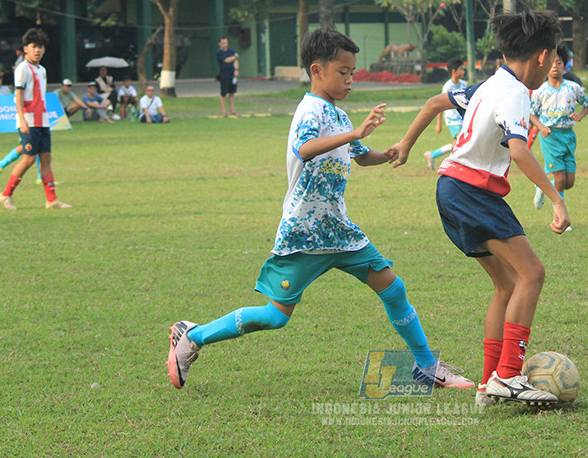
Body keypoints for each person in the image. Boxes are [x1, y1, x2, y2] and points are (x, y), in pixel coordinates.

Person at [166, 29, 473, 392]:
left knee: (393, 287)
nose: (350, 79)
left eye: (353, 72)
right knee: (275, 317)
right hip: (305, 232)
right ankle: (192, 335)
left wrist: (389, 153)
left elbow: (359, 157)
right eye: (343, 72)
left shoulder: (338, 115)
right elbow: (306, 148)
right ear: (317, 70)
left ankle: (426, 366)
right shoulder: (310, 110)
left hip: (339, 230)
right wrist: (355, 133)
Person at [389, 9, 569, 407]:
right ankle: (507, 376)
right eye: (553, 56)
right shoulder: (518, 93)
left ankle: (490, 383)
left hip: (450, 189)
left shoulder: (487, 86)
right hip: (473, 193)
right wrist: (556, 198)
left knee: (507, 283)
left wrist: (405, 143)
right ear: (542, 56)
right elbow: (519, 149)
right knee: (533, 273)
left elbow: (435, 103)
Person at [0, 28, 72, 210]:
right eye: (33, 47)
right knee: (29, 159)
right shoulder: (23, 68)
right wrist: (22, 120)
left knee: (46, 158)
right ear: (25, 49)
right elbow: (19, 94)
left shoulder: (42, 70)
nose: (37, 50)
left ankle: (51, 199)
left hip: (42, 120)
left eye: (40, 47)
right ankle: (6, 194)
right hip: (29, 120)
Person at [529, 41, 588, 218]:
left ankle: (542, 185)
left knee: (569, 182)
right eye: (552, 63)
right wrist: (541, 127)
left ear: (564, 66)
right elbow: (532, 114)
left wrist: (581, 114)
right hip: (550, 137)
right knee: (560, 179)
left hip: (568, 136)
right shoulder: (540, 91)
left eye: (559, 63)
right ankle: (559, 216)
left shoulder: (573, 88)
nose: (555, 67)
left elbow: (587, 105)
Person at [424, 58, 467, 170]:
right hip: (452, 118)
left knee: (456, 144)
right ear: (454, 71)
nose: (464, 72)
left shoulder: (464, 84)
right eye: (461, 69)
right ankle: (455, 166)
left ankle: (432, 155)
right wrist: (439, 124)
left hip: (462, 117)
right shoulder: (448, 87)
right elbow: (440, 104)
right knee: (461, 140)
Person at [217, 37, 239, 116]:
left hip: (232, 75)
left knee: (232, 93)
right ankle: (223, 111)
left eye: (226, 42)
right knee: (223, 93)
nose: (225, 45)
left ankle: (232, 110)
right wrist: (235, 57)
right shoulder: (219, 52)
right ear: (220, 44)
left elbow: (235, 61)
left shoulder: (231, 51)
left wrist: (236, 69)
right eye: (223, 43)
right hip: (224, 75)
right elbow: (227, 60)